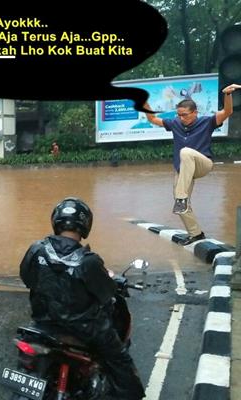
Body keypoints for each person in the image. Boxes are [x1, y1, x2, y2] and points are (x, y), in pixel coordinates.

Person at [19, 197, 144, 400]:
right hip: (86, 330)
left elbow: (27, 278)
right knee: (119, 359)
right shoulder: (90, 262)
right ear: (85, 226)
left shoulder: (36, 250)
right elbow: (107, 293)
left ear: (56, 221)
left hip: (42, 323)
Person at [144, 83, 240, 245]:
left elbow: (227, 112)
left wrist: (227, 95)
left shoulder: (207, 122)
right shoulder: (175, 124)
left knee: (186, 152)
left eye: (185, 115)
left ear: (195, 112)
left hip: (203, 164)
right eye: (179, 115)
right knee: (180, 203)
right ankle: (196, 233)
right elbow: (153, 119)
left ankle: (182, 198)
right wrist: (145, 105)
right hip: (183, 170)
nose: (182, 118)